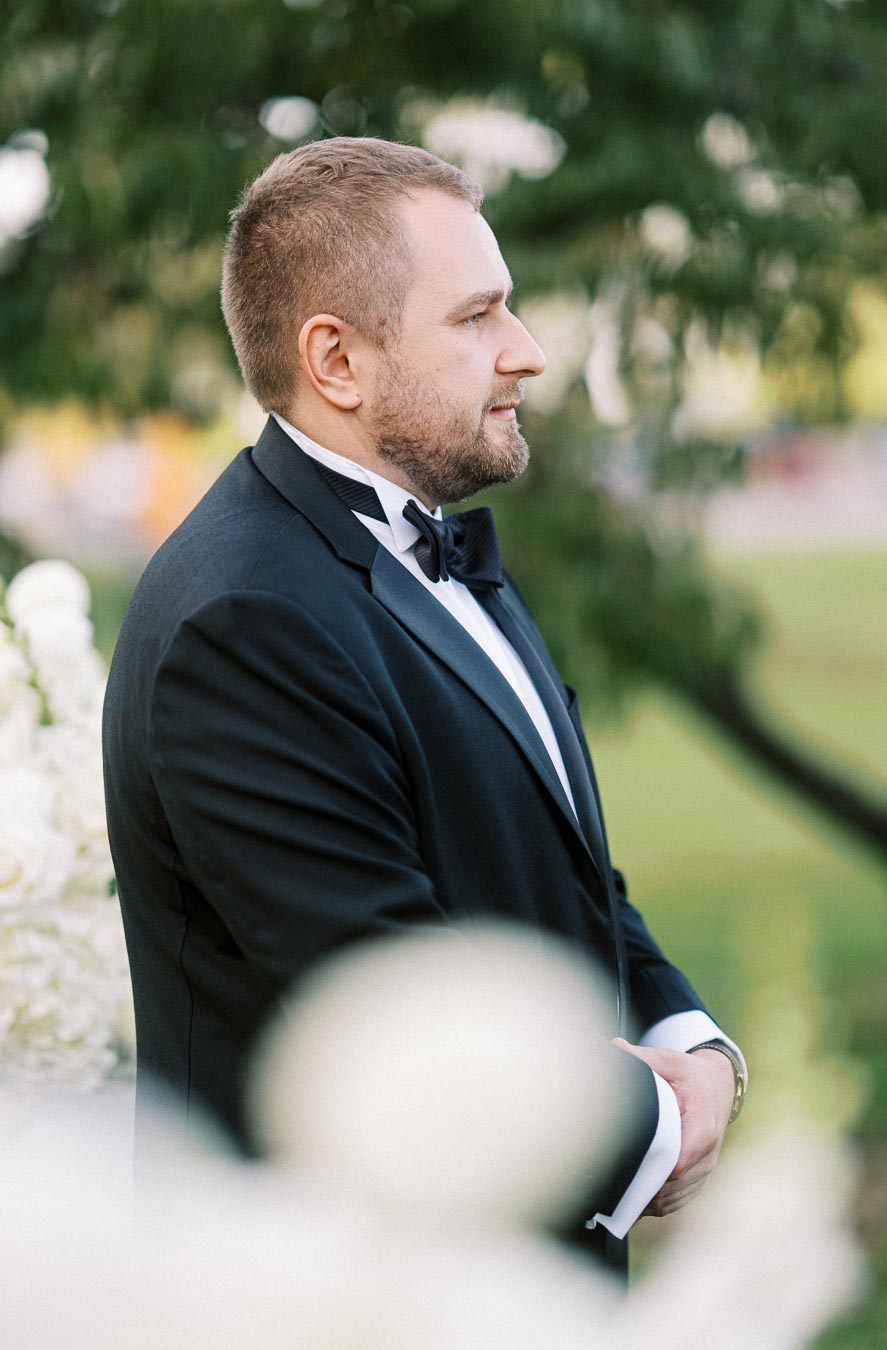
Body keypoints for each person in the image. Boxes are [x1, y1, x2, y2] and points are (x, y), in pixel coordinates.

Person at [102, 137, 746, 1271]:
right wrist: (660, 1123)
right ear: (338, 361)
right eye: (478, 317)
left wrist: (686, 1036)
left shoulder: (423, 541)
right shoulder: (244, 623)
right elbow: (394, 1000)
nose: (529, 353)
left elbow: (553, 868)